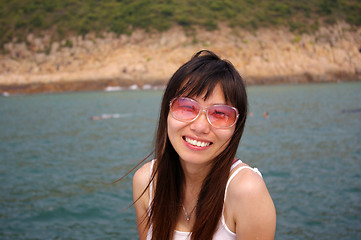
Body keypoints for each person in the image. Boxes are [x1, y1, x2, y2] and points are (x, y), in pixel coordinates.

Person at [133, 50, 276, 240]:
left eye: (220, 114)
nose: (200, 127)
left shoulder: (246, 191)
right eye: (186, 107)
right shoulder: (147, 182)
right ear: (166, 110)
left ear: (237, 126)